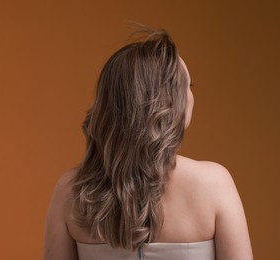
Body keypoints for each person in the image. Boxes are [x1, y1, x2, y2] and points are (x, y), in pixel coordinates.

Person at [43, 27, 253, 260]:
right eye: (187, 86)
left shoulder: (70, 190)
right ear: (169, 102)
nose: (190, 96)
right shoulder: (213, 183)